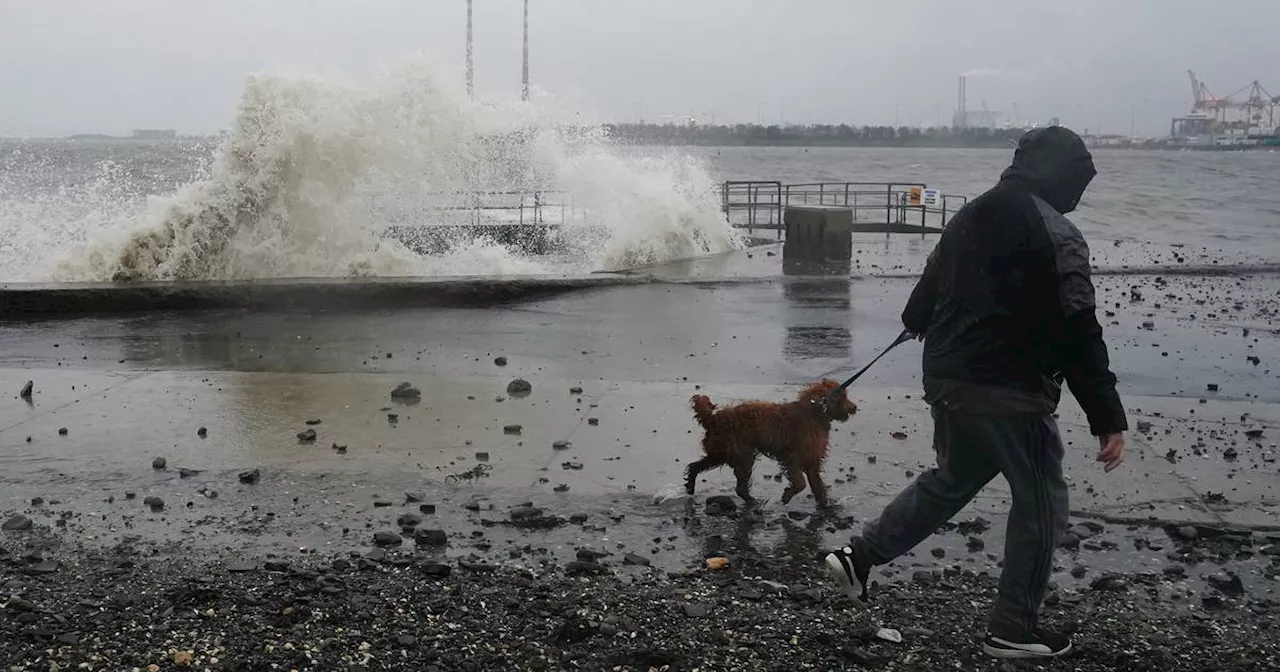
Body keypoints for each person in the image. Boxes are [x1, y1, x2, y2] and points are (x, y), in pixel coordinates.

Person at [823, 126, 1127, 660]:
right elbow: (1079, 328)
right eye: (1081, 181)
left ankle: (860, 555)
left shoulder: (970, 213)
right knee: (1043, 503)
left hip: (945, 376)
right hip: (1008, 389)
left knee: (952, 478)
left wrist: (926, 321)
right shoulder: (1058, 232)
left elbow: (922, 300)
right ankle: (1013, 626)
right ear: (1065, 177)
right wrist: (1106, 415)